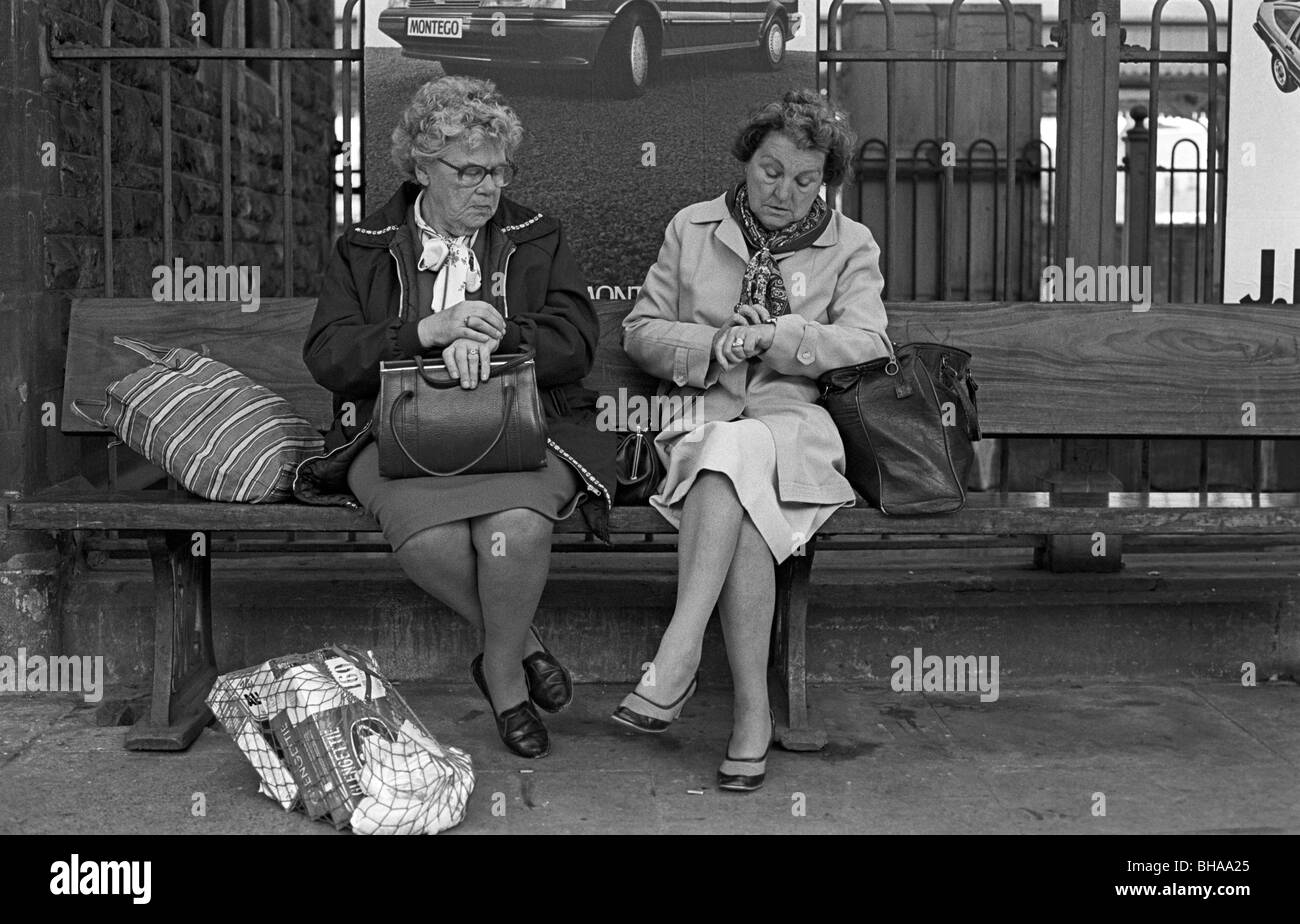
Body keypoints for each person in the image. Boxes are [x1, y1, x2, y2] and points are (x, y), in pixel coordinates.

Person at [295, 76, 615, 760]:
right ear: (419, 165)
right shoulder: (364, 245)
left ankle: (500, 676)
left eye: (498, 170)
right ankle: (520, 648)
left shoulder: (537, 235)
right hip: (396, 431)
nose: (489, 187)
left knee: (517, 527)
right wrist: (426, 331)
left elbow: (577, 342)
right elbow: (328, 354)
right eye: (469, 171)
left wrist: (498, 336)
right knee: (435, 541)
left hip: (527, 427)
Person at [614, 89, 890, 791]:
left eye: (806, 179)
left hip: (795, 434)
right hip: (701, 426)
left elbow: (868, 344)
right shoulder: (693, 227)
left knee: (734, 455)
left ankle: (676, 657)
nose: (786, 192)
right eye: (772, 171)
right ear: (746, 161)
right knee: (727, 459)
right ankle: (752, 716)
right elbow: (641, 333)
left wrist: (777, 336)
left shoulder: (850, 243)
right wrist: (716, 345)